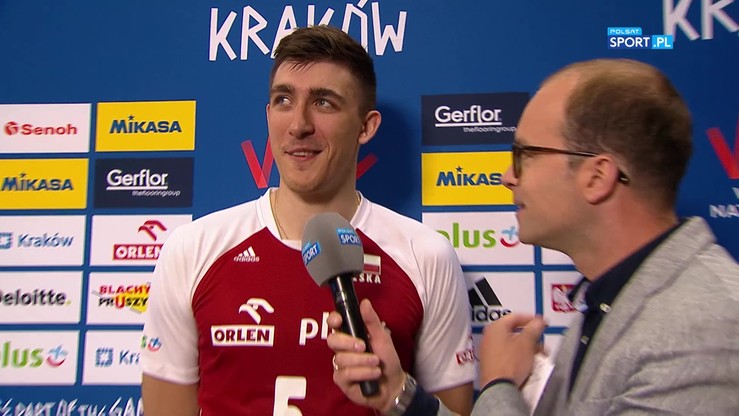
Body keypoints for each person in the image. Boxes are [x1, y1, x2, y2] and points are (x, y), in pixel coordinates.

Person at [327, 58, 739, 415]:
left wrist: (499, 386)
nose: (508, 177)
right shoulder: (611, 300)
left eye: (525, 155)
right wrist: (398, 394)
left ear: (597, 177)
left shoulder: (700, 328)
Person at [139, 25, 475, 415]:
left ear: (366, 126)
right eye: (283, 100)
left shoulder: (425, 256)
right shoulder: (192, 249)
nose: (298, 125)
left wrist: (399, 395)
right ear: (268, 114)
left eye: (324, 102)